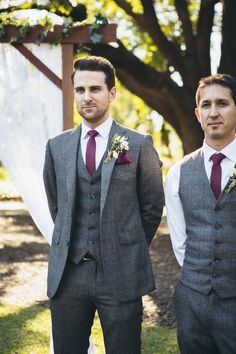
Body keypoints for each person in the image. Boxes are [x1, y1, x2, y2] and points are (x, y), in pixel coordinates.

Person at [43, 56, 164, 354]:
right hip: (69, 275)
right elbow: (56, 203)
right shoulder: (56, 146)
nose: (87, 96)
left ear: (111, 93)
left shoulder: (137, 145)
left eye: (95, 89)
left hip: (121, 273)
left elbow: (151, 207)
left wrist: (126, 245)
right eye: (80, 89)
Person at [165, 73, 236, 354]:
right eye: (206, 105)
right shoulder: (178, 173)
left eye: (222, 103)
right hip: (192, 302)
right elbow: (180, 242)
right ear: (197, 113)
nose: (214, 112)